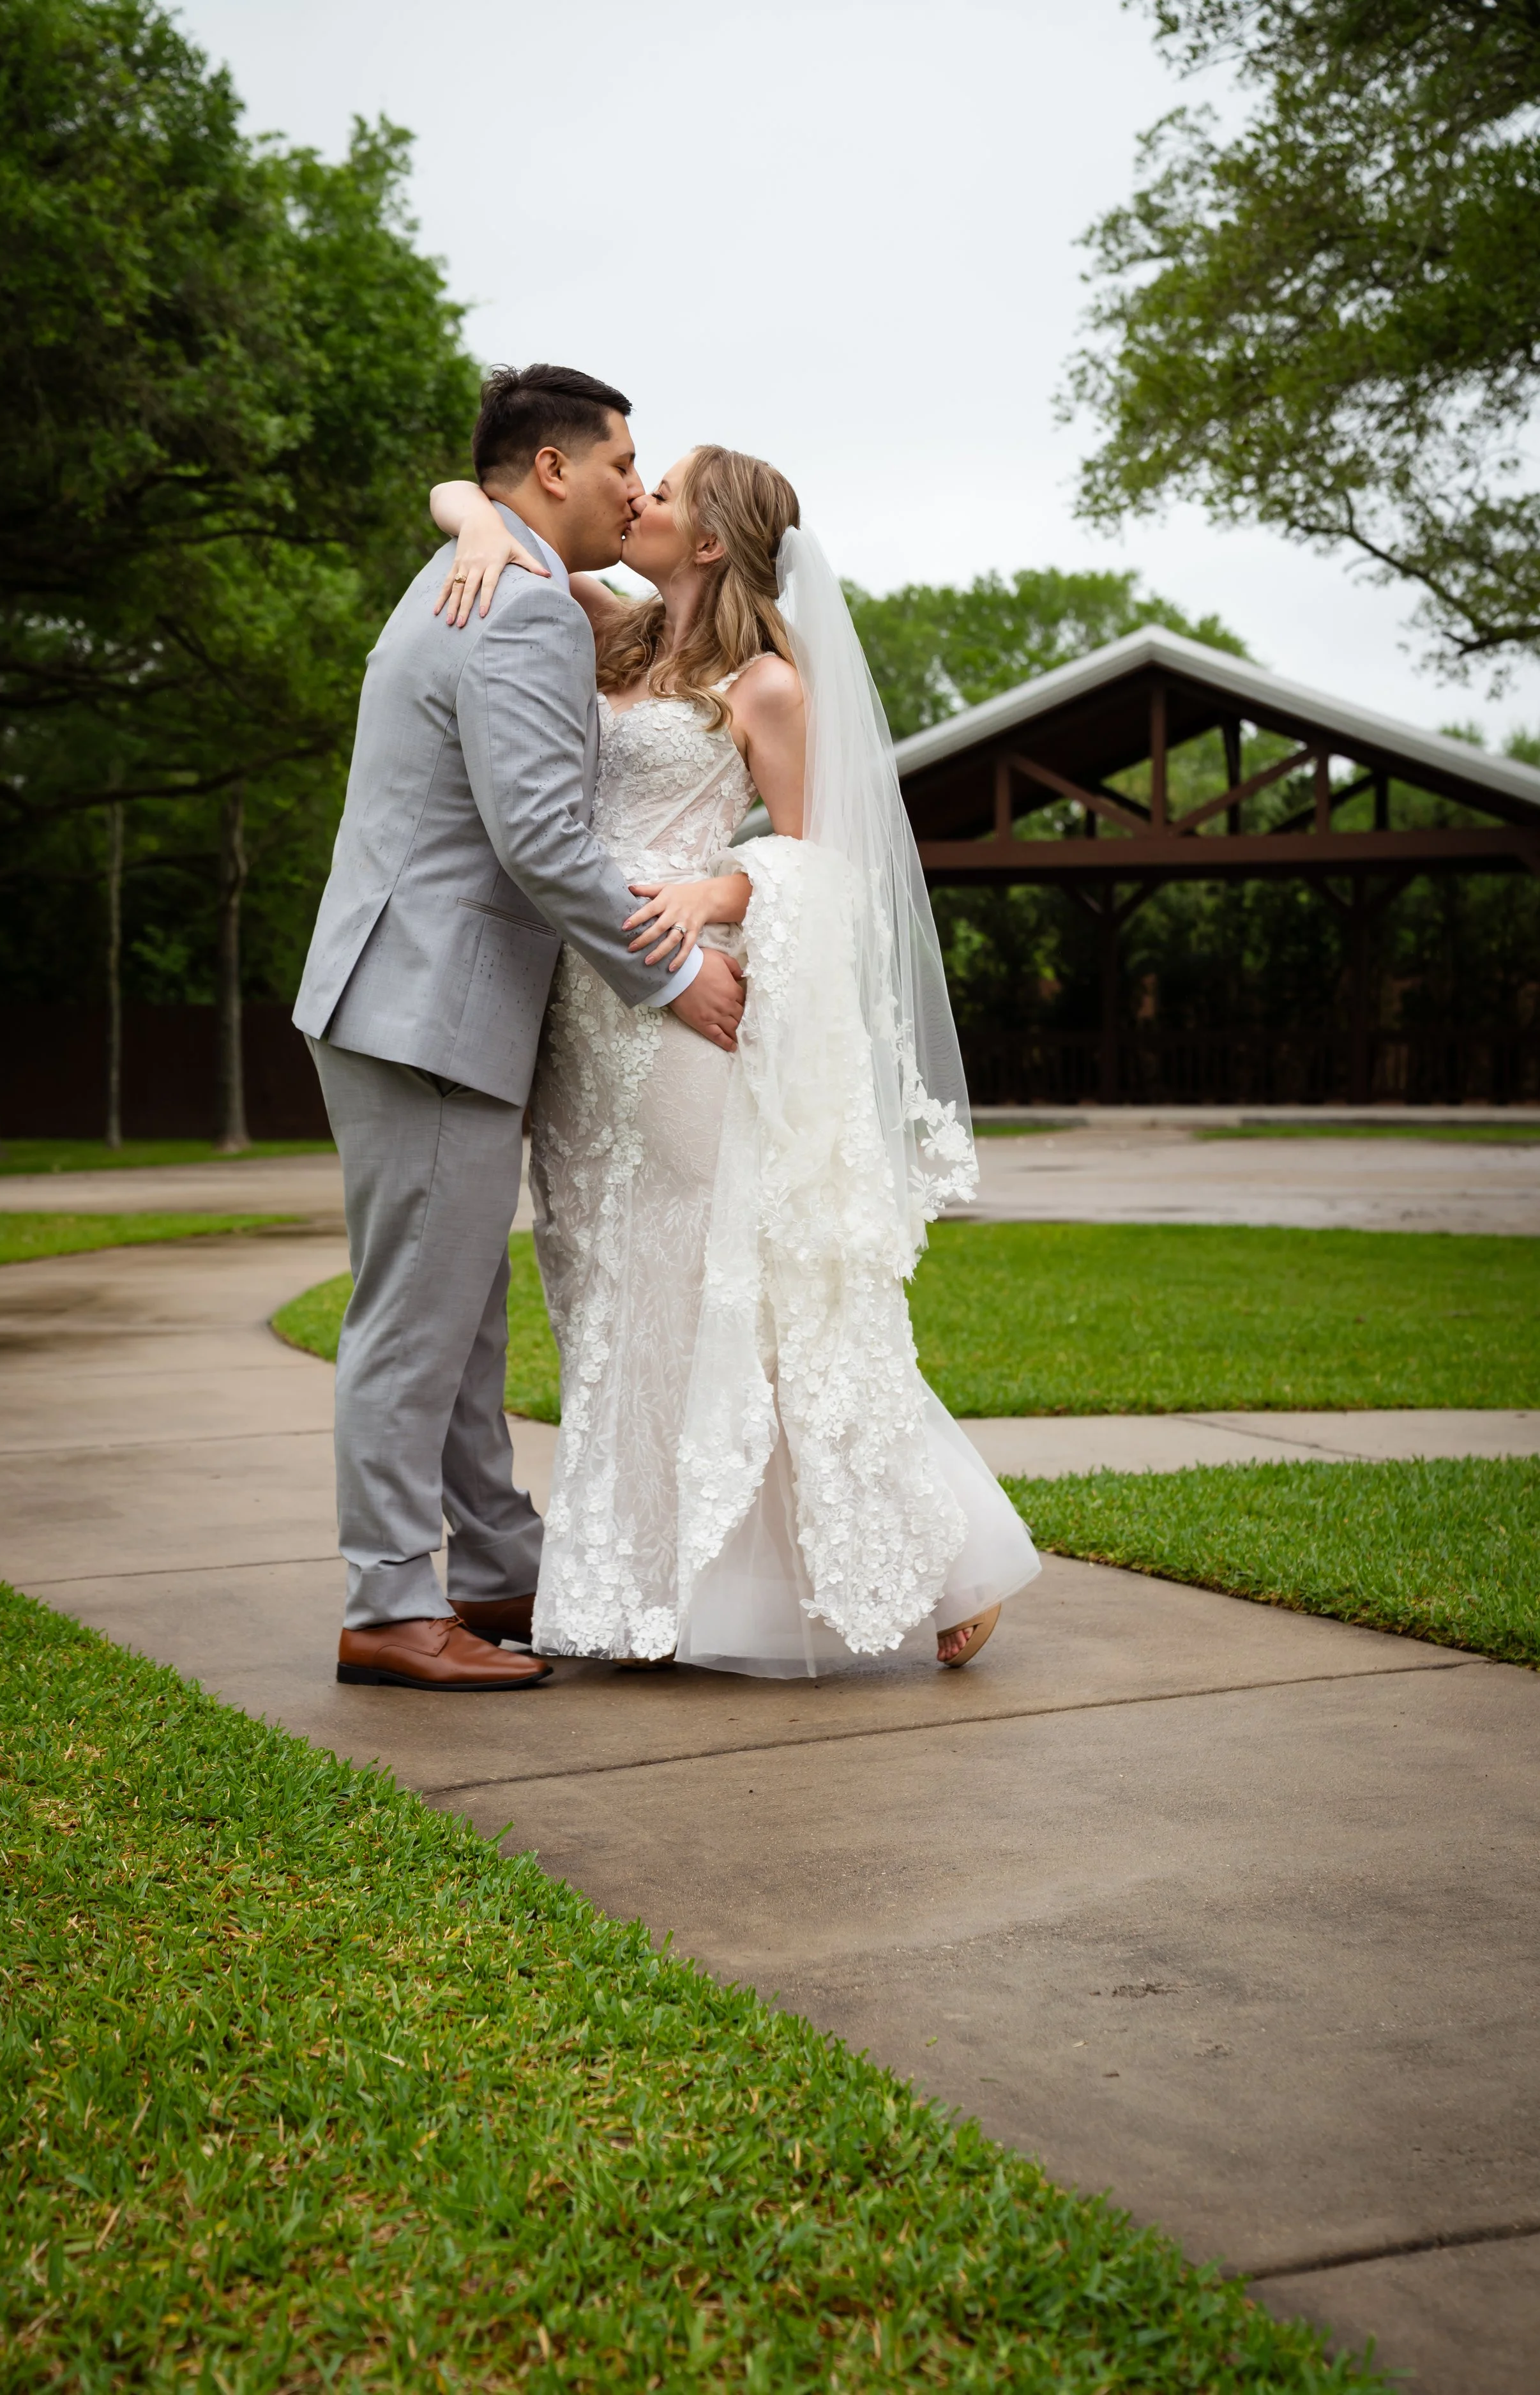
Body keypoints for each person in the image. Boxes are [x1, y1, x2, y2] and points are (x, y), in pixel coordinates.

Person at [431, 446, 1039, 1676]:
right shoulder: (612, 632)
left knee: (740, 1297)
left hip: (681, 1011)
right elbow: (463, 491)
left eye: (666, 492)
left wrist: (722, 883)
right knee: (614, 1301)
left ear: (710, 540)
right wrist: (479, 528)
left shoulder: (768, 685)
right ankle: (654, 1585)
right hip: (581, 1023)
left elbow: (829, 867)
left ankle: (956, 1556)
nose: (639, 498)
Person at [293, 365, 747, 1692]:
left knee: (461, 1317)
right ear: (552, 472)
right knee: (414, 1322)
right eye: (620, 461)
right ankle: (388, 1603)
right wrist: (669, 975)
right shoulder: (527, 609)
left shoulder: (490, 567)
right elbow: (541, 836)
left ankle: (493, 1565)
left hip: (412, 994)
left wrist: (468, 510)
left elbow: (472, 503)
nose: (633, 484)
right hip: (428, 1002)